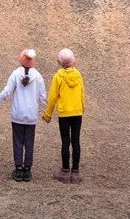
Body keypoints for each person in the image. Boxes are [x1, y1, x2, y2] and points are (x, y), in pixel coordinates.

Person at [0, 49, 47, 182]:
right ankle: (27, 169)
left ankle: (18, 168)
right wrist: (48, 111)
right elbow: (42, 97)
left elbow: (7, 91)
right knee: (29, 142)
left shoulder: (16, 74)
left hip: (17, 114)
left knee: (17, 141)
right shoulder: (38, 76)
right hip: (31, 115)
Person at [41, 47, 86, 183]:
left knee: (65, 141)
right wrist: (82, 108)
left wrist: (48, 114)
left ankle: (65, 171)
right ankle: (76, 172)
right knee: (76, 141)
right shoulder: (78, 75)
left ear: (59, 62)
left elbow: (52, 97)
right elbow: (82, 92)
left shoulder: (58, 76)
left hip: (64, 114)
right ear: (73, 61)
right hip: (77, 112)